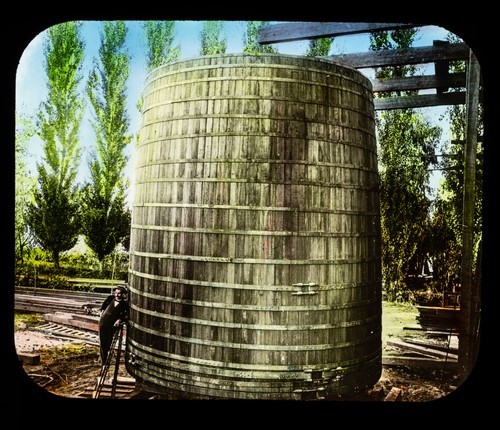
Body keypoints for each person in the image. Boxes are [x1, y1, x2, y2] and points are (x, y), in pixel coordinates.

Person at [98, 285, 129, 367]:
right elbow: (103, 306)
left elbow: (125, 315)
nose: (117, 295)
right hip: (103, 323)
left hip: (112, 326)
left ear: (123, 295)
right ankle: (103, 361)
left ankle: (103, 358)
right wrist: (101, 311)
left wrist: (119, 320)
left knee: (108, 342)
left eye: (119, 294)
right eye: (116, 293)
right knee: (102, 342)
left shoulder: (124, 304)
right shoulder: (110, 298)